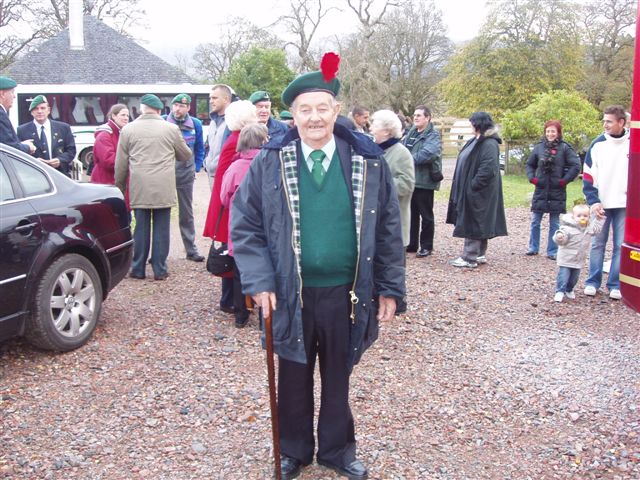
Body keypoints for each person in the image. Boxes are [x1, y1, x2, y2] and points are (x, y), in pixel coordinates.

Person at [231, 53, 405, 480]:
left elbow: (386, 226)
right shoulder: (270, 161)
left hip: (347, 291)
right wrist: (259, 279)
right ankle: (294, 450)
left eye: (321, 109)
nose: (314, 118)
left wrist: (389, 286)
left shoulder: (367, 160)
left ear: (336, 111)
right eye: (304, 110)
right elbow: (246, 225)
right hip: (291, 290)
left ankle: (337, 451)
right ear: (292, 115)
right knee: (293, 374)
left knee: (338, 374)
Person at [114, 94, 192, 280]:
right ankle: (160, 269)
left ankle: (138, 268)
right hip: (163, 184)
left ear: (141, 109)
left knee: (140, 227)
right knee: (162, 227)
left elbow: (121, 165)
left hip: (139, 184)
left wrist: (120, 186)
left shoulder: (128, 130)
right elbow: (185, 154)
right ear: (159, 110)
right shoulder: (171, 128)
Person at [203, 100, 258, 314]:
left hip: (228, 202)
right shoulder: (237, 140)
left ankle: (235, 299)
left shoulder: (235, 138)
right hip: (229, 206)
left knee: (232, 252)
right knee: (231, 254)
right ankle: (230, 300)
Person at [220, 123, 269, 328]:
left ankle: (241, 316)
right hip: (266, 228)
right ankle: (264, 317)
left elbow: (224, 197)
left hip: (240, 228)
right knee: (267, 271)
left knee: (240, 273)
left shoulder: (234, 168)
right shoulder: (269, 165)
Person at [446, 111, 507, 268]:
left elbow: (488, 169)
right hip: (473, 189)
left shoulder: (489, 143)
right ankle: (479, 254)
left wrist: (473, 186)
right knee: (478, 220)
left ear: (478, 124)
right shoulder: (477, 140)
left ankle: (469, 257)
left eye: (472, 123)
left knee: (474, 220)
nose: (470, 125)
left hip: (480, 192)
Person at [582, 105, 630, 300]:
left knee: (620, 245)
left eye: (609, 121)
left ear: (621, 122)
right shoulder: (597, 145)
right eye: (604, 121)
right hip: (601, 203)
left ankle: (615, 284)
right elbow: (588, 175)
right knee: (597, 244)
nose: (605, 125)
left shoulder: (633, 143)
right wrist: (593, 201)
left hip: (625, 203)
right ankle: (592, 282)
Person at [370, 109, 415, 314]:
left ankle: (398, 300)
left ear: (387, 130)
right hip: (376, 217)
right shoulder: (374, 150)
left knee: (396, 259)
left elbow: (407, 184)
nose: (371, 128)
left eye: (375, 124)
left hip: (395, 216)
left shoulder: (401, 152)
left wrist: (379, 186)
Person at [525, 120, 581, 259]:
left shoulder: (565, 148)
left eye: (553, 131)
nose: (550, 134)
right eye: (548, 131)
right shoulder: (539, 148)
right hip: (541, 188)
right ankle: (533, 247)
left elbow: (575, 165)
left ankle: (552, 250)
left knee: (554, 222)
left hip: (557, 189)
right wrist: (533, 178)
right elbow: (529, 164)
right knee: (535, 221)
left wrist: (564, 180)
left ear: (558, 133)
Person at [164, 93, 205, 262]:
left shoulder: (195, 124)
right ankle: (160, 253)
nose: (178, 109)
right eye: (175, 105)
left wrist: (195, 167)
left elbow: (200, 148)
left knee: (186, 213)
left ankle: (191, 249)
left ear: (188, 108)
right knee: (162, 212)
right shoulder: (163, 121)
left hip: (185, 173)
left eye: (182, 106)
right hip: (164, 173)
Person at [402, 105, 442, 257]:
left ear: (428, 117)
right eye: (414, 115)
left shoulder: (433, 135)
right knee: (411, 214)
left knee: (426, 215)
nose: (416, 117)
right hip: (411, 179)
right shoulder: (411, 132)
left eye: (419, 115)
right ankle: (412, 244)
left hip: (424, 180)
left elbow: (429, 153)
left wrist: (407, 160)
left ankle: (426, 246)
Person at [552, 204, 604, 302]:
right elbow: (561, 239)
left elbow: (596, 229)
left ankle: (569, 289)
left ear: (589, 217)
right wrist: (559, 237)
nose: (582, 218)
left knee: (574, 278)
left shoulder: (588, 228)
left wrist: (599, 218)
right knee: (563, 275)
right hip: (566, 258)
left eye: (585, 216)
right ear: (573, 217)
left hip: (579, 259)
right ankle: (560, 291)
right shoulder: (567, 228)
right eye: (579, 216)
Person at [17, 95, 76, 176]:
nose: (39, 111)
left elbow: (71, 150)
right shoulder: (22, 130)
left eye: (43, 108)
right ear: (31, 112)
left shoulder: (63, 128)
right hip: (34, 176)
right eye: (36, 108)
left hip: (60, 174)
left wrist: (60, 160)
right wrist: (34, 162)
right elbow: (19, 154)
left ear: (48, 110)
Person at [91, 103, 130, 185]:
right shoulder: (104, 135)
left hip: (114, 180)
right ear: (114, 116)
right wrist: (131, 161)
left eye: (127, 116)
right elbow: (108, 160)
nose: (126, 118)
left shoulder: (120, 133)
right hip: (105, 181)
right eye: (123, 115)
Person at [204, 84, 233, 189]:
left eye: (214, 98)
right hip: (212, 175)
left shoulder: (234, 122)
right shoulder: (213, 121)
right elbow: (209, 146)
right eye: (210, 98)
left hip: (226, 175)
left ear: (226, 99)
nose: (211, 101)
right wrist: (206, 162)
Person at [0, 76, 35, 154]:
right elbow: (9, 148)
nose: (14, 96)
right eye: (12, 92)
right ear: (2, 94)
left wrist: (21, 144)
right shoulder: (1, 115)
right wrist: (28, 147)